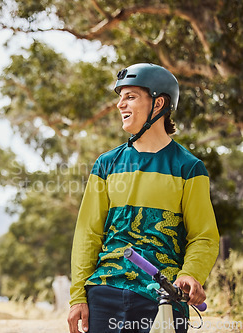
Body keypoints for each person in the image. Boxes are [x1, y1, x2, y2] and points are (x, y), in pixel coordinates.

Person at [67, 63, 219, 333]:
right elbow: (87, 234)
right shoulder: (106, 165)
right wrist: (78, 296)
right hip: (105, 292)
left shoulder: (189, 168)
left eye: (131, 97)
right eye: (120, 97)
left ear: (158, 103)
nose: (120, 105)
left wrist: (191, 274)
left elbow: (203, 236)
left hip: (162, 298)